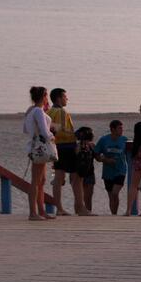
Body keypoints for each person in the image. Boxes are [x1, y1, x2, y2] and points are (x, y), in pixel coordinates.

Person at [46, 88, 90, 216]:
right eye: (65, 96)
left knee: (59, 178)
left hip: (57, 146)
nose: (67, 99)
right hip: (66, 147)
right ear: (59, 98)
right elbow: (59, 130)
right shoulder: (60, 111)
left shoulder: (50, 111)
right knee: (77, 177)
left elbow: (53, 130)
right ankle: (80, 208)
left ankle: (59, 208)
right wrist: (76, 135)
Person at [23, 86, 55, 221]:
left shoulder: (31, 111)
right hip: (39, 147)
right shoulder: (38, 111)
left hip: (34, 146)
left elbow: (25, 129)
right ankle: (33, 213)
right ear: (43, 96)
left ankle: (41, 211)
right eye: (46, 96)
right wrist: (52, 136)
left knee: (41, 180)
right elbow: (44, 131)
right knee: (36, 181)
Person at [94, 120, 128, 215]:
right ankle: (113, 214)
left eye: (122, 128)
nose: (122, 130)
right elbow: (96, 155)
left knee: (115, 193)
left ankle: (114, 214)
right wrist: (105, 160)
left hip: (120, 170)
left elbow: (130, 156)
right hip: (108, 172)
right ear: (112, 129)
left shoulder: (125, 140)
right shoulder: (104, 140)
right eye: (119, 128)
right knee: (111, 196)